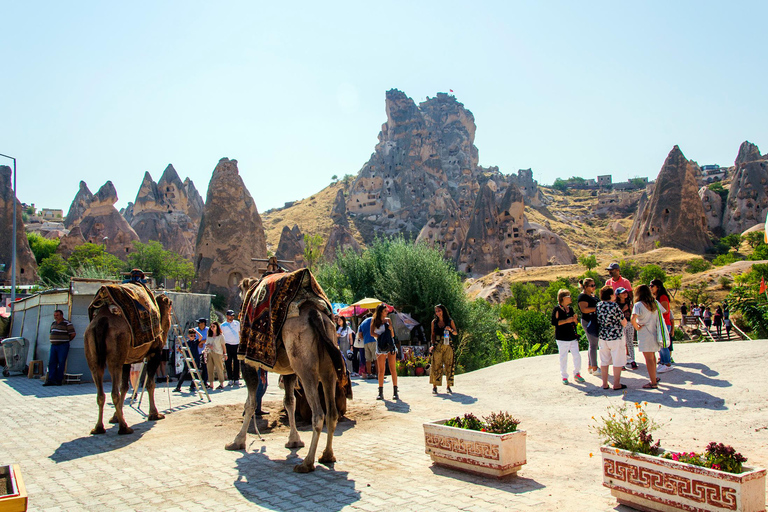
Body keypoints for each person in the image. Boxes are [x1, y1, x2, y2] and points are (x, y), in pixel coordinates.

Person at [631, 284, 663, 389]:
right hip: (655, 332)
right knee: (652, 357)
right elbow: (664, 311)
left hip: (645, 333)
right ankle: (654, 377)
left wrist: (637, 327)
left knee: (648, 358)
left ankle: (653, 382)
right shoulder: (655, 303)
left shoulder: (638, 305)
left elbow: (633, 318)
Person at [596, 286, 628, 390]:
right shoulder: (614, 306)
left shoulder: (599, 305)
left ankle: (605, 383)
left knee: (604, 360)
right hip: (615, 335)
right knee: (617, 360)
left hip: (603, 335)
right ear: (610, 295)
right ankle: (616, 383)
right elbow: (622, 320)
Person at [552, 290, 584, 385]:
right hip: (562, 338)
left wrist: (574, 320)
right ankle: (564, 376)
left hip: (572, 336)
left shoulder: (570, 309)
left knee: (577, 355)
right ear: (563, 298)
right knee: (563, 357)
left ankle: (577, 373)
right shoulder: (557, 309)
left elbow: (575, 322)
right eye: (568, 296)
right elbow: (555, 322)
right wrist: (567, 320)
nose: (570, 298)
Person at [370, 304, 398, 400]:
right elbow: (371, 333)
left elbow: (393, 335)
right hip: (381, 346)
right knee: (381, 370)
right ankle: (380, 392)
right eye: (385, 310)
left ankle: (395, 391)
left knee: (392, 368)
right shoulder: (374, 321)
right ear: (381, 311)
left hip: (389, 345)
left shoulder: (388, 320)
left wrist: (391, 329)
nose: (387, 312)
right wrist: (379, 336)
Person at [430, 304, 458, 394]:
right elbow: (433, 334)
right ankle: (435, 386)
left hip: (448, 345)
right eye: (436, 311)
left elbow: (456, 333)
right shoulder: (434, 322)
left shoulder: (449, 321)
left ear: (443, 311)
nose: (438, 313)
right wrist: (433, 344)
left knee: (449, 364)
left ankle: (448, 386)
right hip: (438, 345)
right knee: (436, 365)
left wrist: (450, 330)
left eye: (439, 310)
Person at [44, 309, 76, 386]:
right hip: (54, 345)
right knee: (52, 362)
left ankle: (58, 380)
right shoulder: (53, 323)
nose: (56, 317)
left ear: (61, 315)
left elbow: (73, 334)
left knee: (61, 362)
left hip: (63, 345)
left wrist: (66, 340)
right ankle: (51, 380)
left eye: (57, 315)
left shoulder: (67, 323)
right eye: (55, 315)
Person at [650, 279, 674, 373]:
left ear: (658, 287)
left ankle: (668, 363)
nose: (650, 288)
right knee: (660, 344)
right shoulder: (657, 297)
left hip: (664, 322)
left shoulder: (663, 297)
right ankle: (663, 362)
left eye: (652, 286)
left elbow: (665, 310)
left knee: (663, 344)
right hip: (659, 322)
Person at [577, 278, 600, 375]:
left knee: (593, 344)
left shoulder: (592, 296)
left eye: (594, 285)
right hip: (588, 321)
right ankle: (594, 367)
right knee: (593, 344)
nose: (594, 287)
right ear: (585, 287)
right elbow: (584, 310)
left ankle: (591, 366)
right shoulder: (582, 297)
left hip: (594, 321)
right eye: (591, 285)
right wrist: (597, 309)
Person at [615, 287, 637, 370]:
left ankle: (632, 360)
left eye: (625, 292)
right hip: (621, 324)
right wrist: (623, 309)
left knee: (630, 342)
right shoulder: (616, 305)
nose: (625, 294)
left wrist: (631, 310)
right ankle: (622, 361)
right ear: (618, 295)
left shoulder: (629, 302)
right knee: (622, 343)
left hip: (630, 323)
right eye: (622, 293)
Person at [221, 310, 241, 386]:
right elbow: (221, 336)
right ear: (227, 316)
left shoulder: (237, 323)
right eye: (230, 316)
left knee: (236, 362)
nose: (231, 317)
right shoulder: (223, 325)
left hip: (236, 344)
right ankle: (230, 378)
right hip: (227, 345)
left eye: (232, 316)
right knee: (228, 362)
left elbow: (239, 333)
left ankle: (236, 378)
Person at [205, 322, 227, 390]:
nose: (212, 328)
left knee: (219, 368)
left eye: (213, 326)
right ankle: (211, 384)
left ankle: (221, 383)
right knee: (210, 368)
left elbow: (223, 345)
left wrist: (225, 354)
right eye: (211, 327)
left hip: (218, 353)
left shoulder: (220, 336)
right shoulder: (209, 335)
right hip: (210, 353)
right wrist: (209, 346)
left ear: (217, 327)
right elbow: (206, 344)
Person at [358, 313, 377, 379]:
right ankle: (378, 373)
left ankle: (369, 373)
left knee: (368, 359)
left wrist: (365, 338)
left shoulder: (362, 323)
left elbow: (360, 335)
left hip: (366, 342)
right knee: (376, 358)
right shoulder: (373, 320)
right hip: (374, 340)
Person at [195, 318, 209, 386]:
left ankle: (205, 381)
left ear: (203, 324)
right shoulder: (196, 330)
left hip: (205, 351)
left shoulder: (208, 330)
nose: (198, 324)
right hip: (197, 351)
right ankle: (195, 382)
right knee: (196, 366)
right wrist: (198, 343)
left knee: (205, 367)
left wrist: (202, 342)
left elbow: (210, 339)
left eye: (199, 323)